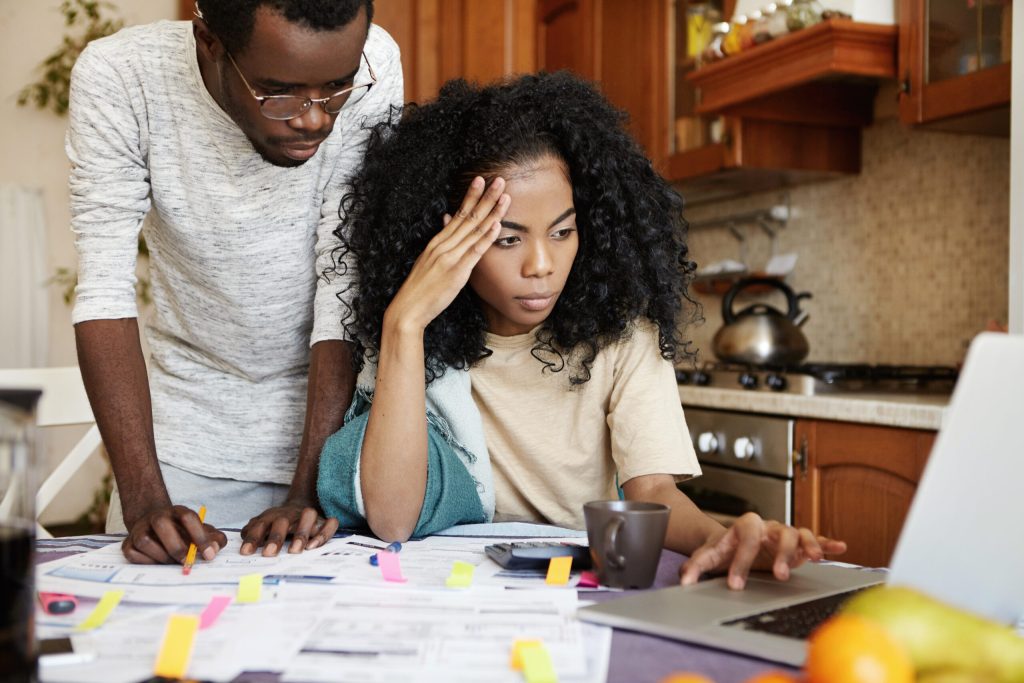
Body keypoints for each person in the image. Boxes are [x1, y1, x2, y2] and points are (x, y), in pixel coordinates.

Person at [317, 72, 847, 588]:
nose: (541, 264)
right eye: (507, 239)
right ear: (445, 241)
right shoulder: (421, 342)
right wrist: (405, 323)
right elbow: (391, 520)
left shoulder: (624, 336)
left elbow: (653, 491)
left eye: (563, 231)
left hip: (583, 586)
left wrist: (720, 536)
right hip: (456, 586)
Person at [66, 0, 402, 564]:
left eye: (336, 88)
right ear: (209, 44)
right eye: (279, 91)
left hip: (341, 449)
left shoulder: (374, 60)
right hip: (184, 451)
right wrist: (145, 501)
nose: (314, 118)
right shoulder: (120, 76)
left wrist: (308, 489)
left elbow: (343, 277)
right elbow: (103, 286)